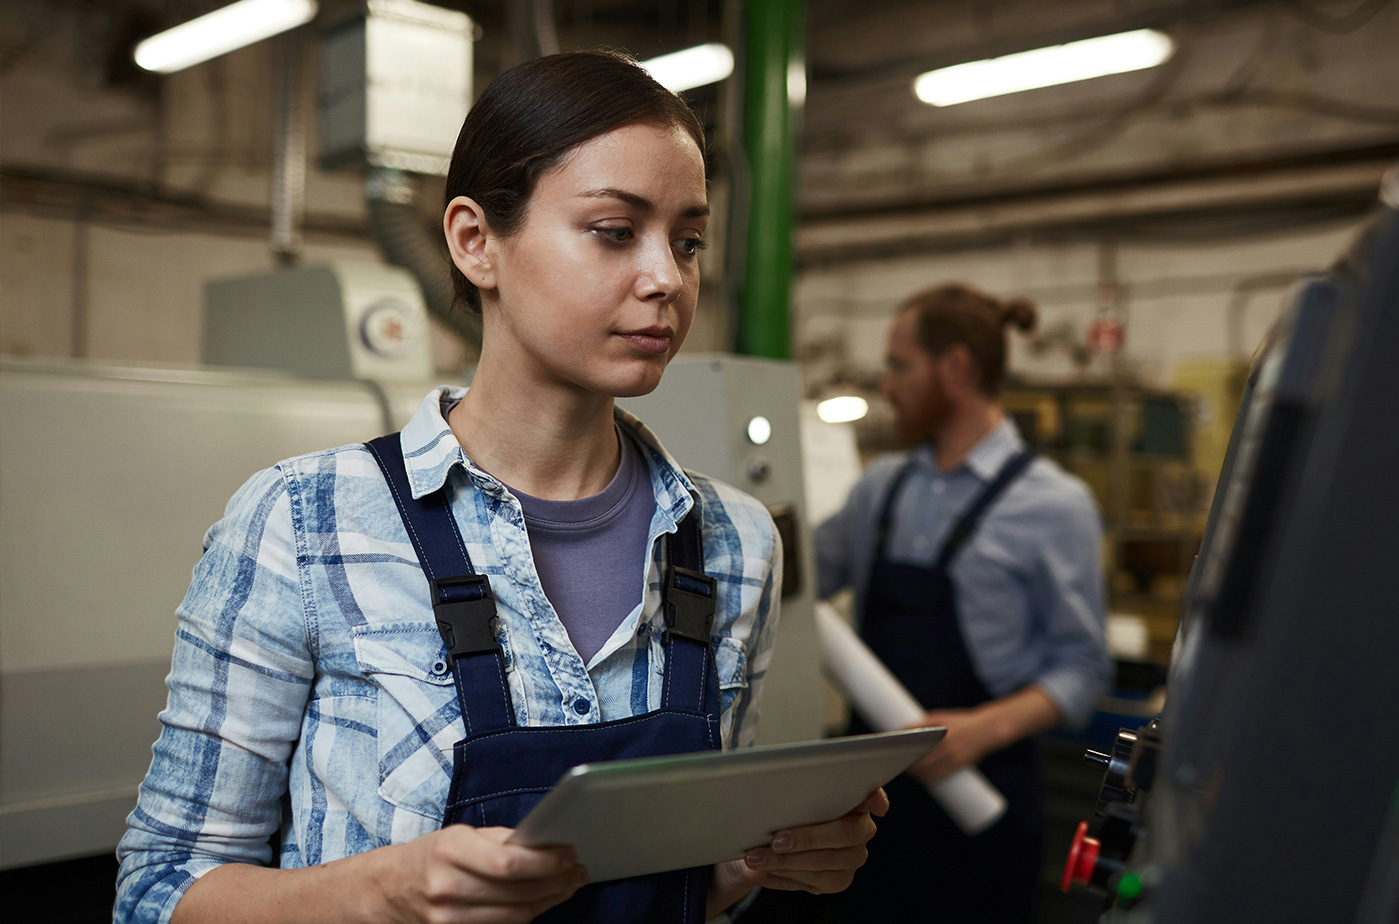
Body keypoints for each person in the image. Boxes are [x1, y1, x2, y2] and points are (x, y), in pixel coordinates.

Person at [116, 51, 884, 924]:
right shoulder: (302, 523)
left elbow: (682, 886)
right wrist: (382, 893)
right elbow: (158, 890)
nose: (667, 277)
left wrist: (755, 864)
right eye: (612, 230)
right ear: (476, 241)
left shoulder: (734, 541)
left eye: (688, 239)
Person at [816, 283, 1110, 922]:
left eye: (899, 365)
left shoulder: (1055, 505)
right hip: (868, 805)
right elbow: (791, 576)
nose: (886, 386)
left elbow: (1083, 670)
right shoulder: (880, 489)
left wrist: (980, 730)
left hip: (983, 802)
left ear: (954, 368)